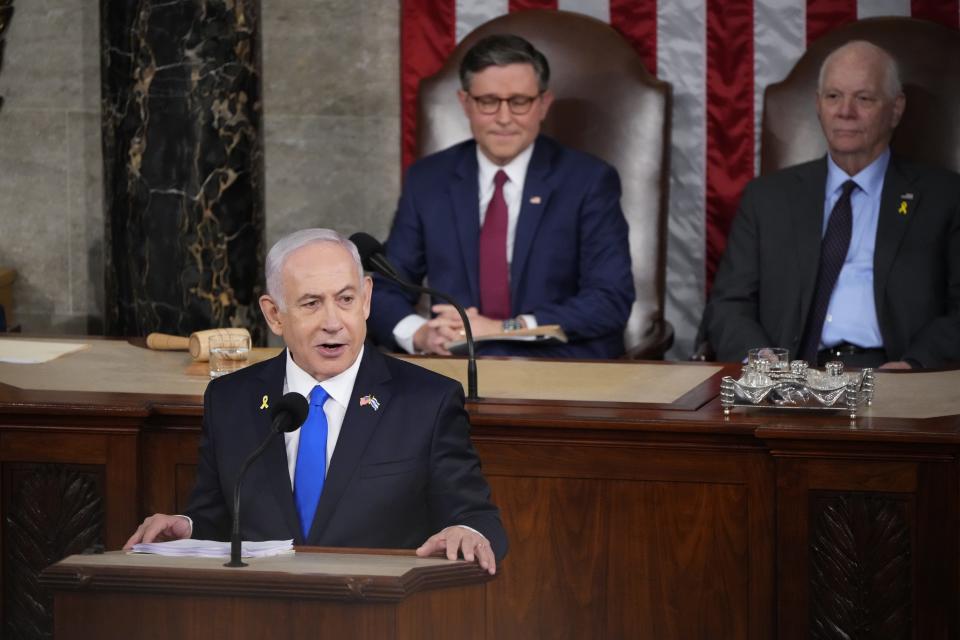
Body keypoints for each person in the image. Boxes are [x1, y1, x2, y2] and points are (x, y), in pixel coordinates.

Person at [125, 229, 507, 574]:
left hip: (378, 615)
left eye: (345, 299)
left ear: (367, 300)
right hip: (262, 614)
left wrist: (467, 530)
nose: (333, 322)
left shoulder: (427, 400)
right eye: (311, 303)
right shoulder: (230, 400)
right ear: (274, 315)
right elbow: (221, 515)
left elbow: (478, 516)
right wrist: (187, 528)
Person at [368, 34, 635, 359]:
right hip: (455, 366)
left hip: (559, 368)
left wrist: (505, 328)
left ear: (543, 104)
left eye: (519, 101)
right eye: (489, 101)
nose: (505, 118)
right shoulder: (428, 179)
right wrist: (420, 334)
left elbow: (610, 299)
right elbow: (385, 285)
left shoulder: (589, 181)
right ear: (466, 103)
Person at [705, 40, 960, 369]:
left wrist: (916, 365)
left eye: (864, 98)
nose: (845, 112)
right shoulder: (767, 198)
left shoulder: (945, 197)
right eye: (833, 96)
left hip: (893, 376)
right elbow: (729, 304)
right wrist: (761, 360)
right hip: (790, 378)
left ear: (896, 109)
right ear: (818, 104)